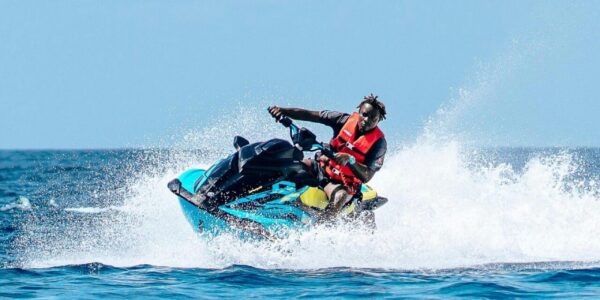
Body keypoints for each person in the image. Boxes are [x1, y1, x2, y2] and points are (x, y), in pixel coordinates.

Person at [268, 94, 387, 219]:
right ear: (359, 112)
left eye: (373, 118)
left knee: (340, 196)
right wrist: (282, 111)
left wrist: (351, 160)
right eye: (364, 114)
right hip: (321, 167)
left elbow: (367, 175)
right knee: (288, 165)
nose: (367, 120)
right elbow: (311, 115)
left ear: (378, 120)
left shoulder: (379, 144)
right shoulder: (343, 120)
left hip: (340, 183)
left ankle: (322, 229)